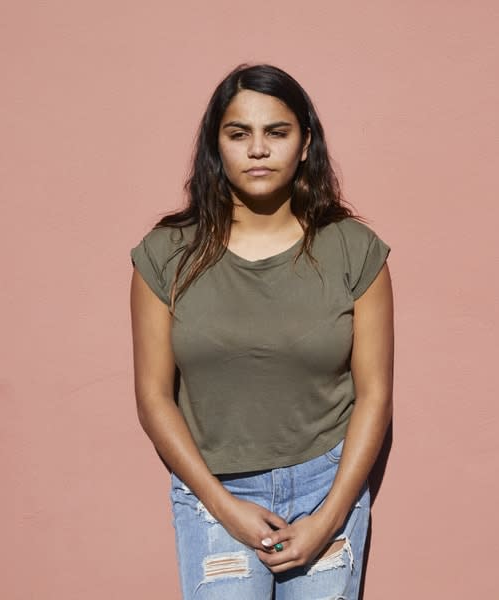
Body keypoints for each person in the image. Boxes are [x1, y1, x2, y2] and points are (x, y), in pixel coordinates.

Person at [129, 63, 394, 599]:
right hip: (214, 488)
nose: (257, 150)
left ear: (304, 144)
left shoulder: (353, 251)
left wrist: (330, 516)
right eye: (238, 134)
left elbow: (375, 395)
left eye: (276, 132)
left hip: (328, 484)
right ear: (215, 145)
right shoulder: (165, 256)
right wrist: (223, 507)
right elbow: (154, 397)